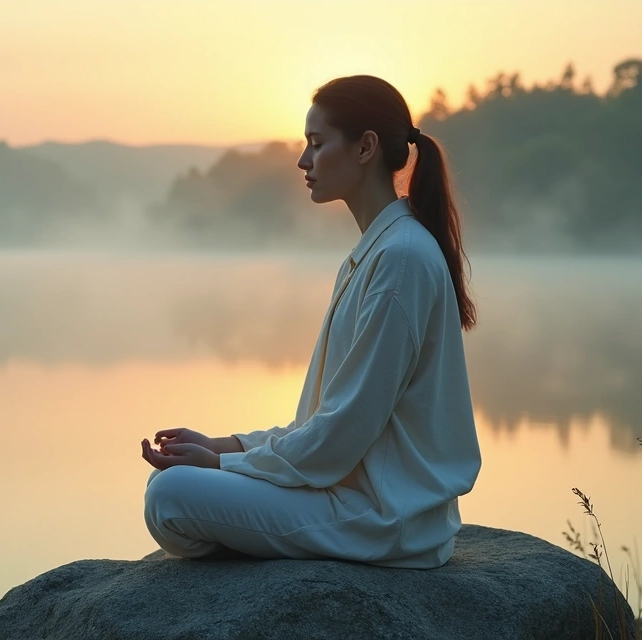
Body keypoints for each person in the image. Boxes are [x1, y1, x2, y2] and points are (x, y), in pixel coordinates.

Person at [139, 74, 481, 568]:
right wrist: (225, 445)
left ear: (365, 148)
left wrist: (221, 463)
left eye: (317, 145)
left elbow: (340, 436)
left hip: (383, 519)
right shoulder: (378, 252)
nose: (303, 161)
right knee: (168, 484)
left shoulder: (400, 260)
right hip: (360, 503)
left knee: (170, 496)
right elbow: (323, 426)